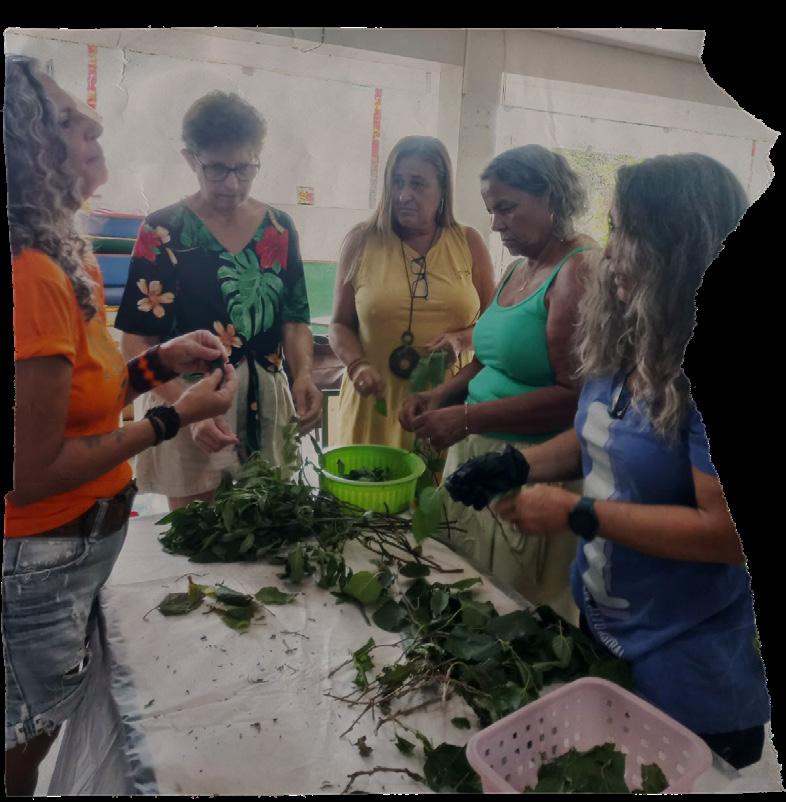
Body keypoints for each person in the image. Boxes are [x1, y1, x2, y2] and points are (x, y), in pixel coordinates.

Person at [447, 153, 771, 770]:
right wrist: (517, 466)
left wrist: (580, 514)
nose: (611, 253)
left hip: (687, 674)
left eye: (631, 234)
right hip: (605, 628)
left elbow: (727, 534)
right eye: (613, 227)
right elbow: (598, 436)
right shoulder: (630, 339)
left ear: (682, 250)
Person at [3, 55, 238, 795]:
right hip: (42, 548)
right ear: (24, 149)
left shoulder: (60, 253)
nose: (95, 126)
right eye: (67, 121)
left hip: (79, 540)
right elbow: (32, 471)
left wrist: (156, 362)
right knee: (23, 735)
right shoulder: (32, 275)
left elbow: (81, 396)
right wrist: (171, 417)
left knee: (39, 721)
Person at [401, 145, 596, 623]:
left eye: (507, 208)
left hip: (529, 468)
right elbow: (490, 359)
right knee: (466, 594)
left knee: (514, 612)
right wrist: (442, 394)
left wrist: (467, 418)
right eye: (492, 210)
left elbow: (574, 398)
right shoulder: (517, 269)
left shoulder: (577, 271)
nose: (496, 225)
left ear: (550, 197)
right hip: (478, 459)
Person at [116, 91, 321, 510]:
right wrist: (184, 409)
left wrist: (303, 375)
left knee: (267, 527)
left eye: (244, 168)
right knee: (198, 534)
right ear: (190, 159)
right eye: (216, 169)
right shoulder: (163, 230)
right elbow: (136, 342)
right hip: (186, 397)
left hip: (265, 401)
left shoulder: (279, 228)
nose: (232, 183)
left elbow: (294, 319)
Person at [329, 135, 495, 449]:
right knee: (372, 478)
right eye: (397, 182)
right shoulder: (362, 241)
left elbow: (493, 327)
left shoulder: (468, 243)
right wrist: (356, 365)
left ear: (442, 190)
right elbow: (339, 324)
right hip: (374, 405)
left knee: (441, 481)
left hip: (445, 406)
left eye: (418, 184)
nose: (404, 195)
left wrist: (461, 340)